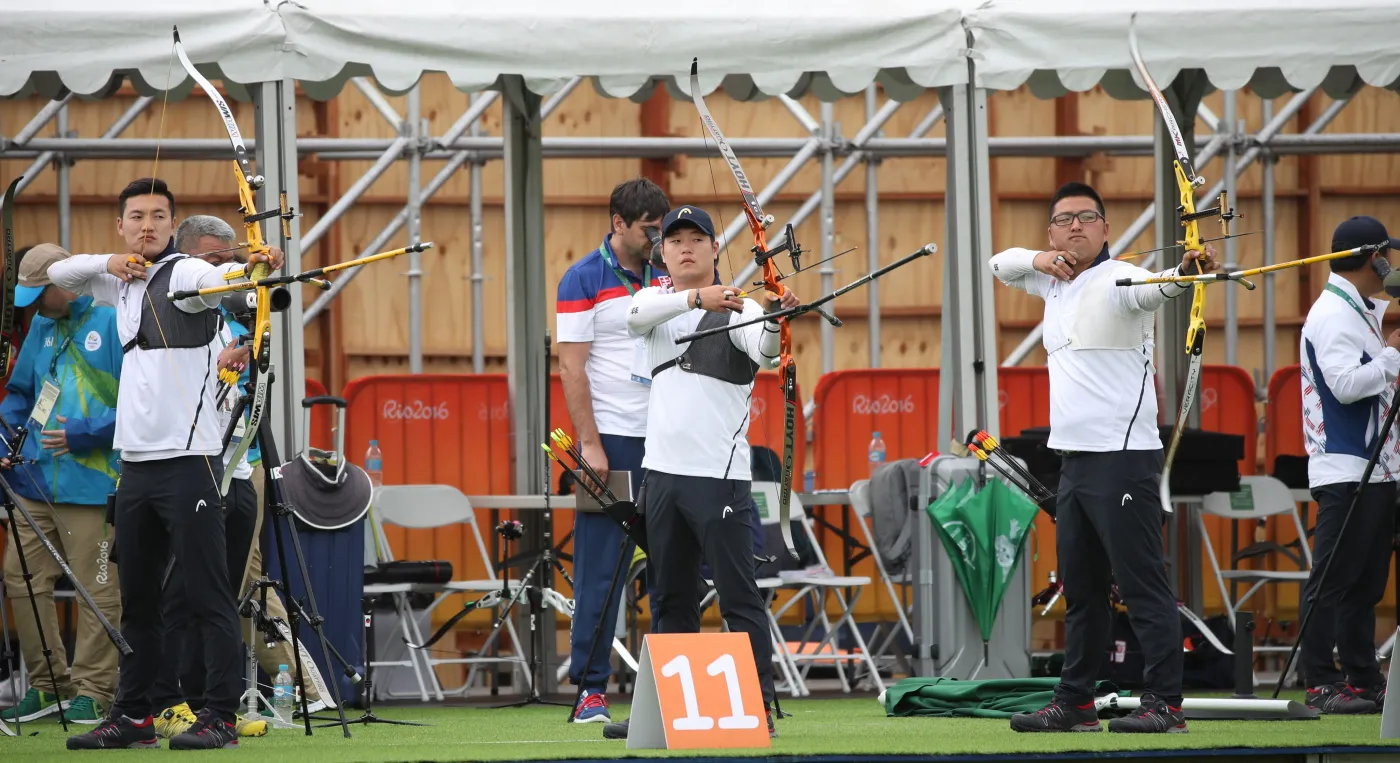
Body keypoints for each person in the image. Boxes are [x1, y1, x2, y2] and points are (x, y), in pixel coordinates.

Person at [51, 177, 282, 750]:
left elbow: (221, 278)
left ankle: (220, 717)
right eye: (136, 216)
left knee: (207, 595)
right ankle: (135, 715)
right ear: (122, 225)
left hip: (191, 462)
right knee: (140, 601)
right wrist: (110, 261)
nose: (147, 225)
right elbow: (55, 275)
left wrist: (255, 266)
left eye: (158, 216)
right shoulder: (117, 277)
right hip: (137, 466)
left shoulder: (184, 273)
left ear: (172, 225)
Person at [989, 181, 1220, 734]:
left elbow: (1159, 289)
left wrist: (1188, 272)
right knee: (1084, 591)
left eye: (1088, 217)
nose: (1076, 226)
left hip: (1124, 459)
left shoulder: (1124, 279)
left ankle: (1166, 703)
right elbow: (1000, 263)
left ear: (1106, 229)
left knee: (1142, 586)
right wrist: (1044, 260)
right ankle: (1077, 703)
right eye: (1064, 219)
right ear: (1051, 233)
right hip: (1075, 461)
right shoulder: (1051, 283)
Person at [605, 205, 799, 741]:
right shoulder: (653, 301)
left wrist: (774, 318)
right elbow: (633, 319)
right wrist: (696, 298)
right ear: (662, 252)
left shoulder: (738, 313)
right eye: (675, 240)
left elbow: (761, 355)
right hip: (661, 477)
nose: (686, 247)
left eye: (698, 239)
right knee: (669, 596)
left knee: (739, 595)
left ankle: (757, 706)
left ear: (715, 250)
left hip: (719, 478)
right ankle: (669, 709)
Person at [148, 215, 300, 739]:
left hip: (240, 469)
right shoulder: (170, 314)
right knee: (179, 593)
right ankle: (173, 702)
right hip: (191, 471)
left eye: (232, 263)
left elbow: (248, 391)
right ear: (187, 262)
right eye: (214, 264)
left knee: (224, 591)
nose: (227, 274)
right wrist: (217, 373)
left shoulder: (236, 316)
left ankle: (219, 707)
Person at [555, 178, 669, 723]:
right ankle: (590, 692)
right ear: (618, 223)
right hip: (614, 443)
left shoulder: (671, 272)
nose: (659, 238)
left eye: (662, 228)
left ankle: (674, 688)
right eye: (649, 229)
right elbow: (571, 366)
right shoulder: (582, 278)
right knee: (601, 569)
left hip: (672, 440)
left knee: (678, 567)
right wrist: (591, 445)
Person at [0, 244, 123, 725]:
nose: (31, 304)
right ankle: (50, 684)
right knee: (21, 577)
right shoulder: (40, 328)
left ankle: (95, 690)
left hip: (92, 485)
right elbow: (19, 394)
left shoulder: (113, 322)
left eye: (37, 293)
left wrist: (82, 434)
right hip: (33, 481)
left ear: (64, 283)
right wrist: (6, 436)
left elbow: (142, 399)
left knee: (97, 587)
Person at [1295, 215, 1400, 714]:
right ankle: (1318, 680)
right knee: (1334, 580)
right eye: (1387, 256)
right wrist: (1393, 357)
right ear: (1372, 257)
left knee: (1365, 582)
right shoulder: (1333, 315)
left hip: (1376, 467)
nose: (1391, 265)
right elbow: (1344, 384)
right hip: (1344, 467)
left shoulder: (1356, 307)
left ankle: (1361, 679)